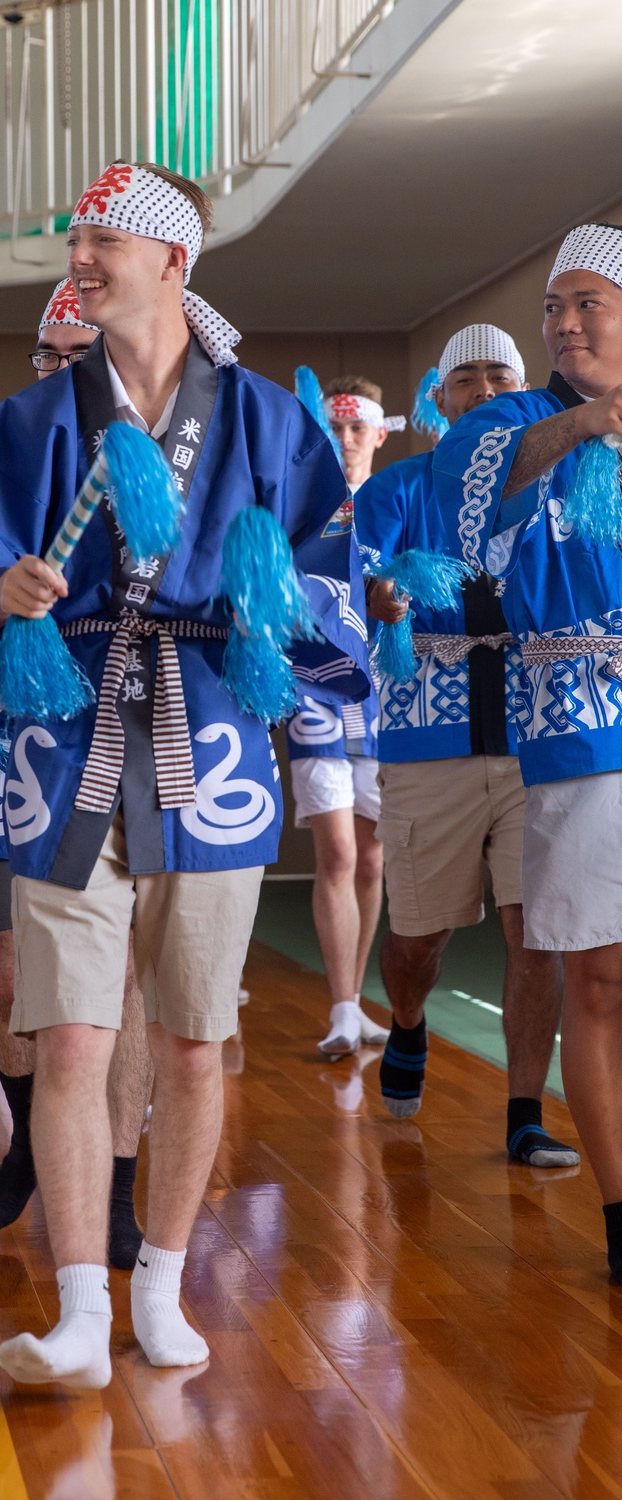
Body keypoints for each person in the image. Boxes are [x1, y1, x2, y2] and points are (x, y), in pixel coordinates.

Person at [0, 162, 369, 1388]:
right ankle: (73, 1308)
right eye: (76, 236)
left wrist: (278, 607)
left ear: (174, 261)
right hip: (65, 749)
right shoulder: (26, 427)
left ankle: (160, 1285)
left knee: (191, 1045)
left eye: (105, 237)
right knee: (69, 1041)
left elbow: (326, 570)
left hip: (209, 737)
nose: (82, 255)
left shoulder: (270, 424)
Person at [0, 279, 153, 1269]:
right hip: (7, 749)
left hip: (127, 747)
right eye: (45, 356)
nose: (58, 373)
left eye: (77, 354)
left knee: (122, 985)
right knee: (7, 969)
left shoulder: (165, 460)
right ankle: (24, 1151)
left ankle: (121, 1191)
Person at [433, 228, 622, 1278]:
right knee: (597, 979)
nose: (562, 323)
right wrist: (590, 424)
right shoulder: (516, 416)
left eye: (587, 303)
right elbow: (471, 477)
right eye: (554, 309)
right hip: (578, 720)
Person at [357, 322, 575, 1170]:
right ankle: (406, 1021)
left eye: (501, 375)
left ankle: (524, 1109)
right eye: (466, 378)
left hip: (537, 727)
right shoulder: (402, 486)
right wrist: (380, 596)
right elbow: (360, 574)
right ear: (437, 398)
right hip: (428, 732)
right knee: (418, 941)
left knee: (537, 929)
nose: (484, 390)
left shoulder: (560, 479)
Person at [287, 375, 406, 1058]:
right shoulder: (305, 507)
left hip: (387, 696)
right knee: (333, 852)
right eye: (334, 428)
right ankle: (339, 1005)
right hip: (316, 692)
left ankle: (356, 1001)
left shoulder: (395, 500)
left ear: (380, 432)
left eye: (357, 427)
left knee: (371, 857)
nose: (345, 439)